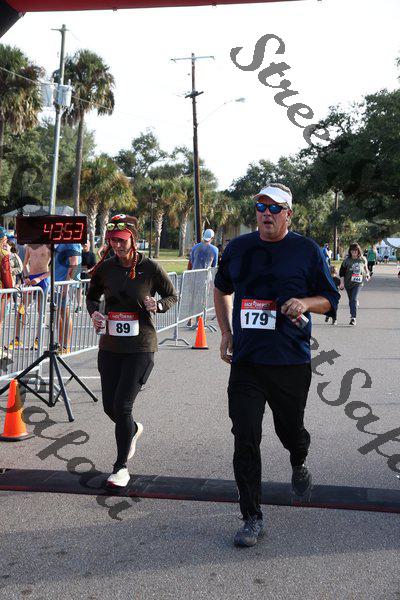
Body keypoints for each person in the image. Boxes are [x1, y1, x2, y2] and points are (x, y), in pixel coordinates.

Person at [213, 183, 339, 548]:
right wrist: (226, 332)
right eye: (261, 207)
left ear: (288, 214)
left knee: (290, 431)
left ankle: (299, 460)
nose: (266, 213)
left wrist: (305, 303)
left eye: (274, 208)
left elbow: (330, 299)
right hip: (247, 362)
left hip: (289, 361)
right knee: (245, 436)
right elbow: (221, 289)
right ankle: (251, 517)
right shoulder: (238, 248)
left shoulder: (306, 250)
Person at [86, 214, 178, 488]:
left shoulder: (150, 268)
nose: (117, 246)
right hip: (111, 346)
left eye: (122, 241)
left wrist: (157, 306)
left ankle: (120, 468)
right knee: (110, 407)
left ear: (133, 240)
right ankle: (133, 429)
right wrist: (95, 313)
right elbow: (92, 297)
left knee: (123, 406)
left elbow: (171, 295)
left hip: (140, 347)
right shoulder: (105, 268)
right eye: (113, 240)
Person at [9, 244, 51, 350]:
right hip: (31, 278)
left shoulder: (49, 245)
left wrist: (40, 278)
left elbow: (53, 268)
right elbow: (25, 264)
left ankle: (38, 339)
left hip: (43, 280)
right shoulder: (29, 246)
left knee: (41, 310)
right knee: (21, 309)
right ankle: (17, 339)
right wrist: (27, 276)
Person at [54, 242, 82, 353]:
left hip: (64, 283)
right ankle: (61, 344)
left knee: (65, 313)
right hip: (58, 283)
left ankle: (66, 346)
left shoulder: (72, 241)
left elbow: (74, 263)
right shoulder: (63, 241)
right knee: (59, 313)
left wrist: (66, 285)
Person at [339, 242, 369, 326]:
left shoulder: (363, 259)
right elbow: (341, 273)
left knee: (353, 299)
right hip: (348, 283)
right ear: (350, 251)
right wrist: (342, 283)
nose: (354, 252)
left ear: (358, 251)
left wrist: (367, 274)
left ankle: (353, 318)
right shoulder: (346, 261)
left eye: (356, 250)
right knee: (351, 300)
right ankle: (354, 305)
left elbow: (366, 268)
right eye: (352, 250)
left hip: (358, 283)